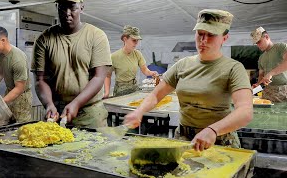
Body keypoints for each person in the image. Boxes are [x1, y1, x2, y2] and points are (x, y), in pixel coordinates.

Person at [124, 9, 253, 151]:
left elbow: (245, 111)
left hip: (218, 139)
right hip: (184, 137)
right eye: (200, 34)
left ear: (224, 38)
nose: (203, 40)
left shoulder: (233, 68)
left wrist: (213, 130)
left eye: (211, 35)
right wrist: (139, 111)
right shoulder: (182, 65)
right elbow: (156, 95)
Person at [31, 0, 112, 128]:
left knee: (91, 147)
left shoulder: (96, 36)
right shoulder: (44, 39)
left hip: (89, 113)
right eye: (62, 7)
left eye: (72, 8)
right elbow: (41, 79)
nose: (67, 13)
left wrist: (76, 103)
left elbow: (98, 77)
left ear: (81, 8)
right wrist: (49, 104)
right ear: (57, 7)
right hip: (56, 113)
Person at [0, 26, 32, 123]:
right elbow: (0, 72)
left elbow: (19, 89)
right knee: (6, 122)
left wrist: (1, 103)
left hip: (21, 97)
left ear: (3, 40)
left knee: (20, 127)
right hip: (10, 92)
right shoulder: (0, 53)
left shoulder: (18, 59)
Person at [104, 25, 158, 98]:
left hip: (134, 87)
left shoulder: (137, 54)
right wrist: (107, 92)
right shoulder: (114, 56)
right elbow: (107, 76)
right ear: (125, 39)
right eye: (134, 40)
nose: (136, 43)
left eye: (137, 40)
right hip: (121, 90)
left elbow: (145, 70)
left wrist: (151, 73)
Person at [250, 27, 287, 102]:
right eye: (256, 43)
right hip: (267, 93)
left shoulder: (280, 47)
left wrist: (271, 73)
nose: (258, 45)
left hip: (282, 92)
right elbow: (261, 76)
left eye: (259, 42)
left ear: (266, 37)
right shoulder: (261, 58)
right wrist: (257, 85)